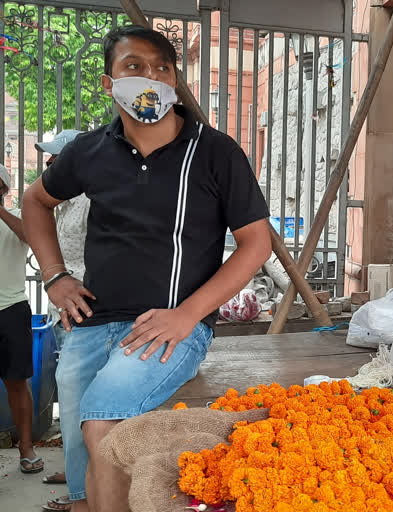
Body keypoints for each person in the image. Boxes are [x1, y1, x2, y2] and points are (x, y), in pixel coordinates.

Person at [22, 25, 271, 512]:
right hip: (92, 321)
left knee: (101, 420)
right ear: (108, 82)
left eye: (162, 68)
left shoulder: (215, 152)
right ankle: (85, 502)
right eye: (134, 66)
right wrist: (55, 275)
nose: (150, 78)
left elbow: (255, 244)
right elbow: (35, 201)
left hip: (172, 327)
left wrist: (187, 316)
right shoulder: (90, 151)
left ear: (176, 81)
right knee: (76, 425)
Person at [34, 129, 85, 510]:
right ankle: (76, 473)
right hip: (64, 315)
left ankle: (84, 492)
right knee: (72, 402)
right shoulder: (63, 204)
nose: (48, 164)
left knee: (79, 403)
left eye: (55, 158)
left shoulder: (88, 204)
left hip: (82, 314)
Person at [0, 165, 44, 475]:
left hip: (11, 309)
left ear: (3, 189)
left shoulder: (15, 215)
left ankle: (26, 448)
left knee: (17, 382)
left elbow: (31, 236)